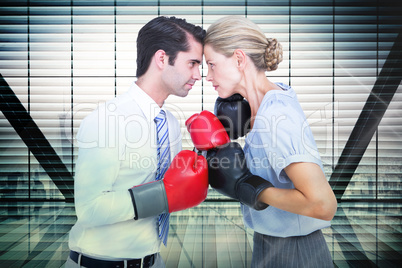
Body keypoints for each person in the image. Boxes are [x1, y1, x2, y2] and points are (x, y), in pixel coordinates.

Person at [65, 16, 208, 268]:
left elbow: (175, 190)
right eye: (193, 63)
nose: (198, 75)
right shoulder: (107, 120)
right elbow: (88, 209)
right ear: (162, 59)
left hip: (154, 261)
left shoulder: (170, 124)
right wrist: (163, 195)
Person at [201, 15, 337, 267]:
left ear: (239, 59)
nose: (208, 76)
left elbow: (323, 204)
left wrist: (249, 187)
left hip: (295, 251)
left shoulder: (276, 115)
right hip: (271, 243)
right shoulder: (265, 106)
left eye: (211, 64)